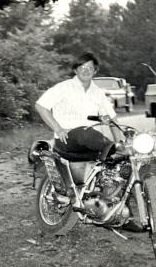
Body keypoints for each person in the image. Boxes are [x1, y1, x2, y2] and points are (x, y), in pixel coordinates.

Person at [35, 51, 143, 232]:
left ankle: (122, 215)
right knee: (85, 131)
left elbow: (111, 121)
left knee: (124, 167)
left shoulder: (98, 93)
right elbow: (41, 106)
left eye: (90, 68)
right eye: (82, 68)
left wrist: (123, 145)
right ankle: (112, 149)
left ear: (95, 71)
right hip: (68, 140)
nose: (86, 71)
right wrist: (58, 128)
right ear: (76, 70)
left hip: (93, 144)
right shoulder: (64, 87)